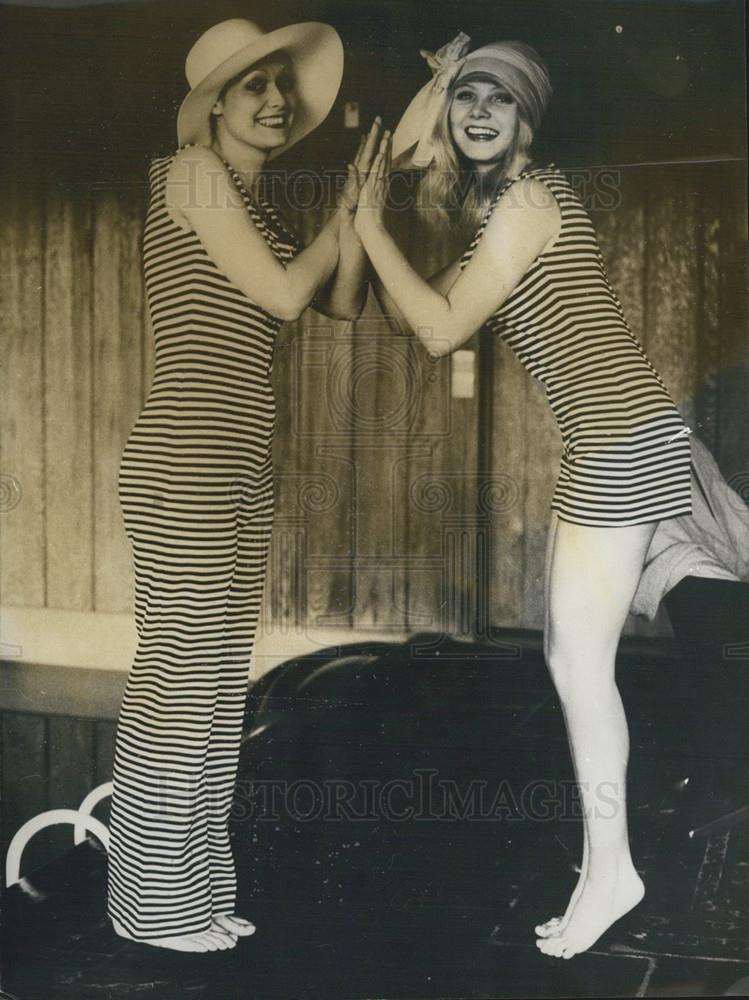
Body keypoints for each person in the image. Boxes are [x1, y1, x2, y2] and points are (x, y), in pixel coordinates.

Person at [354, 34, 694, 959]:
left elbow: (433, 331)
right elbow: (416, 307)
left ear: (525, 122)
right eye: (465, 96)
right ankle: (603, 871)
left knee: (580, 667)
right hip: (610, 439)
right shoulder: (497, 212)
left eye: (498, 100)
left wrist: (369, 226)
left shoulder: (525, 203)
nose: (475, 113)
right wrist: (381, 218)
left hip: (621, 440)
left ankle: (611, 873)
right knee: (567, 658)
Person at [107, 18, 377, 953]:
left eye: (282, 86)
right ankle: (148, 907)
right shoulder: (186, 174)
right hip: (185, 462)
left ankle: (195, 892)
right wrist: (344, 216)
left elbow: (339, 299)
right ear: (212, 105)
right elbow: (283, 295)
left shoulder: (260, 211)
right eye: (252, 85)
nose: (275, 100)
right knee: (176, 685)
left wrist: (360, 211)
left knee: (221, 687)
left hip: (241, 465)